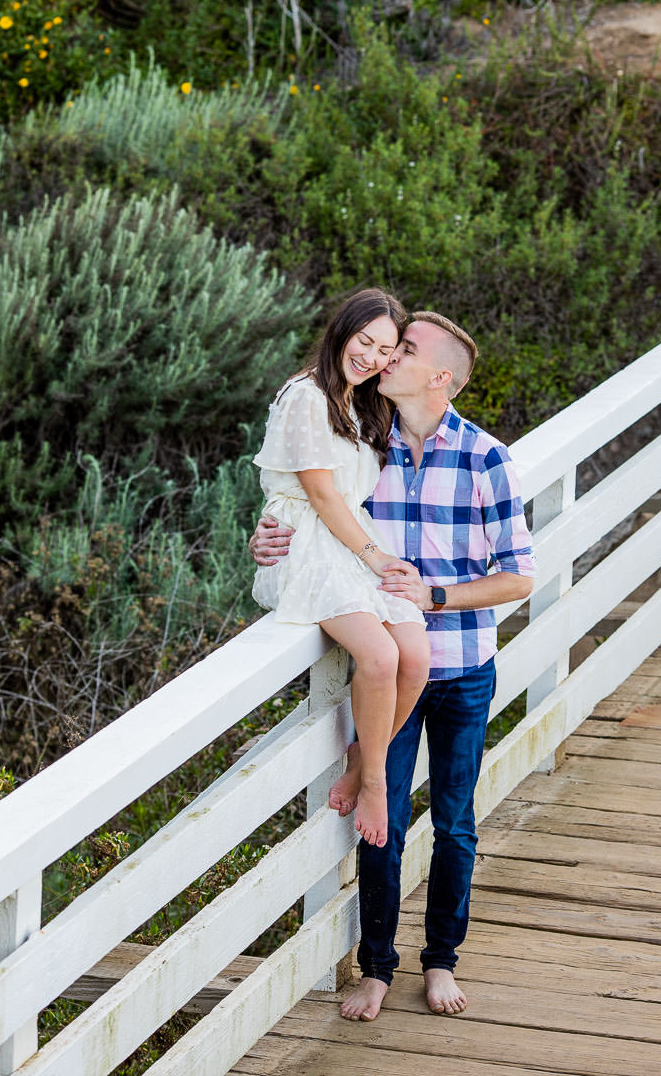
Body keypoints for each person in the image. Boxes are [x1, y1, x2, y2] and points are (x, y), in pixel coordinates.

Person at [250, 309, 535, 1021]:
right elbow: (319, 503)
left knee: (455, 822)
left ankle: (441, 961)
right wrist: (268, 534)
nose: (388, 358)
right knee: (382, 821)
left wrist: (436, 595)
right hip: (392, 661)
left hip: (462, 662)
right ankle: (376, 967)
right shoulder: (366, 432)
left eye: (403, 350)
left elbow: (521, 577)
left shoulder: (486, 457)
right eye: (386, 346)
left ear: (440, 377)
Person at [251, 288, 430, 850]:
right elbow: (322, 497)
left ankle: (359, 759)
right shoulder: (306, 396)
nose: (372, 357)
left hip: (349, 541)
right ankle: (376, 783)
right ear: (342, 332)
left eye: (385, 350)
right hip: (311, 543)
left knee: (417, 658)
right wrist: (375, 559)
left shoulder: (364, 401)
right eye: (364, 341)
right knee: (379, 657)